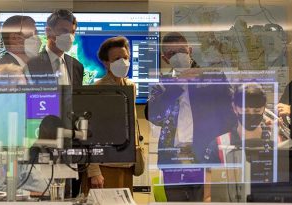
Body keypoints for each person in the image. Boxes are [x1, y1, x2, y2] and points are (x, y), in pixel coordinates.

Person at [145, 32, 235, 201]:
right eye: (172, 54)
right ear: (165, 59)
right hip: (173, 161)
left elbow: (229, 117)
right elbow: (153, 115)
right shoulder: (162, 84)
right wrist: (177, 84)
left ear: (190, 50)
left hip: (205, 159)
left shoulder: (213, 77)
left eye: (181, 50)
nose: (178, 56)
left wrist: (217, 148)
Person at [83, 36, 136, 195]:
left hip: (127, 165)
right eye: (117, 58)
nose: (123, 62)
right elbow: (89, 132)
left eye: (126, 57)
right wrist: (94, 171)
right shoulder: (98, 89)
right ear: (106, 63)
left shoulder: (130, 86)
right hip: (105, 167)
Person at [27, 9, 84, 86]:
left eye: (72, 32)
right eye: (64, 31)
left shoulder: (77, 66)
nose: (70, 37)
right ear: (48, 32)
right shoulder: (30, 64)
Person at [0, 15, 41, 83]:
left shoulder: (31, 67)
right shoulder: (2, 69)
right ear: (14, 38)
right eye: (31, 33)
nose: (37, 39)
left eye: (37, 34)